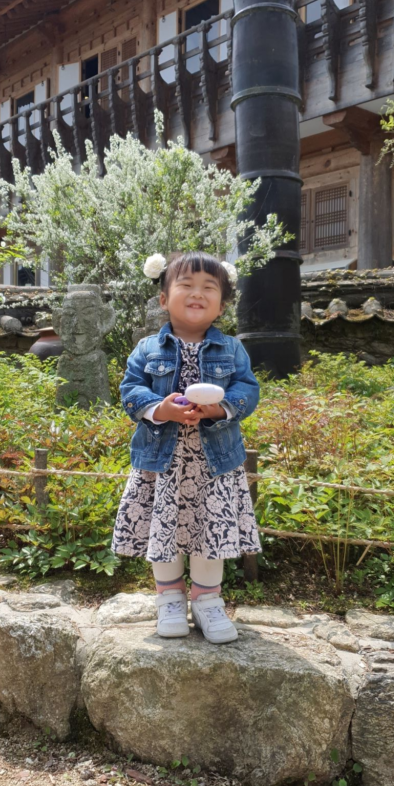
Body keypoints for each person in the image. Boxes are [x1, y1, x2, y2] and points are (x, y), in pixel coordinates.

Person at [112, 251, 261, 644]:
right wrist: (158, 409)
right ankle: (170, 600)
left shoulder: (232, 349)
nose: (197, 293)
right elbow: (130, 389)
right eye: (186, 285)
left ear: (222, 304)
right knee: (164, 531)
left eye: (209, 288)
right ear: (164, 298)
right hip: (163, 462)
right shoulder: (147, 349)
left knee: (210, 532)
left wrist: (222, 407)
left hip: (213, 464)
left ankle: (208, 602)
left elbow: (248, 389)